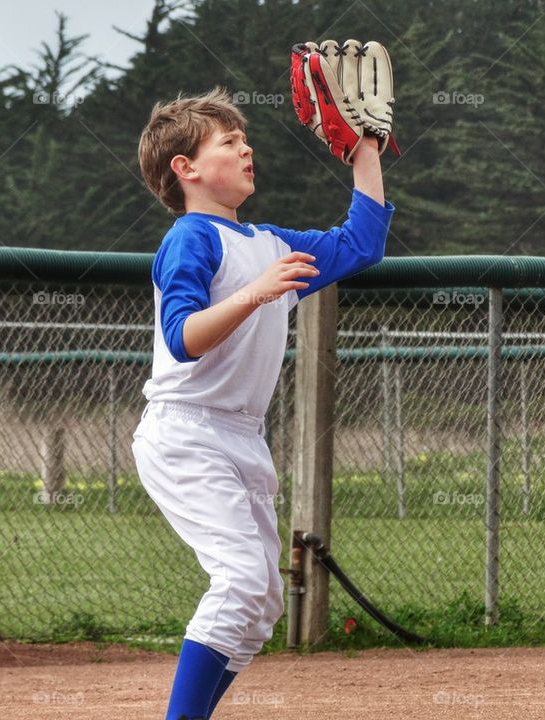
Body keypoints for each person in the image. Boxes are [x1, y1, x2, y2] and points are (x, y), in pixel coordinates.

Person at [132, 86, 393, 720]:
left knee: (262, 603)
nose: (246, 147)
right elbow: (183, 338)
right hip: (185, 434)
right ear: (185, 169)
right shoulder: (191, 238)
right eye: (228, 141)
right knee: (242, 581)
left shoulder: (270, 244)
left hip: (242, 436)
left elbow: (363, 243)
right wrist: (255, 293)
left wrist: (364, 150)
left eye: (244, 138)